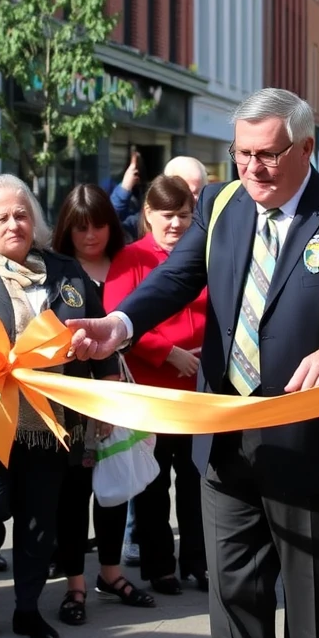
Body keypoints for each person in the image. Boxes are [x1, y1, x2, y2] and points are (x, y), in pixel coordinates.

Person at [66, 88, 319, 638]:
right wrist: (117, 326)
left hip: (313, 446)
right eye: (242, 153)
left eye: (269, 154)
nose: (253, 167)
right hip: (227, 445)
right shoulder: (223, 204)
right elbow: (175, 277)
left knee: (311, 614)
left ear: (305, 148)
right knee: (234, 605)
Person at [0, 174, 120, 638]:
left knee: (40, 519)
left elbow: (100, 336)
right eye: (3, 217)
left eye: (22, 215)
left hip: (48, 422)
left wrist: (108, 380)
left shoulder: (65, 269)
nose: (14, 224)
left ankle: (29, 610)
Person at [50, 184, 154, 625]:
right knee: (71, 496)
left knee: (114, 490)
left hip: (117, 393)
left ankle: (110, 573)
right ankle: (75, 582)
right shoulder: (54, 269)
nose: (90, 235)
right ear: (65, 230)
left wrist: (111, 395)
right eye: (80, 227)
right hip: (69, 399)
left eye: (98, 225)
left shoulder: (130, 262)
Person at [104, 175, 209, 597]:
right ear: (147, 214)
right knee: (151, 484)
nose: (176, 225)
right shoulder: (130, 259)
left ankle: (198, 563)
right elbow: (118, 318)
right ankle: (159, 566)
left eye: (184, 216)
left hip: (199, 391)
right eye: (167, 216)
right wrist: (168, 352)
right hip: (151, 390)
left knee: (197, 480)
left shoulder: (206, 255)